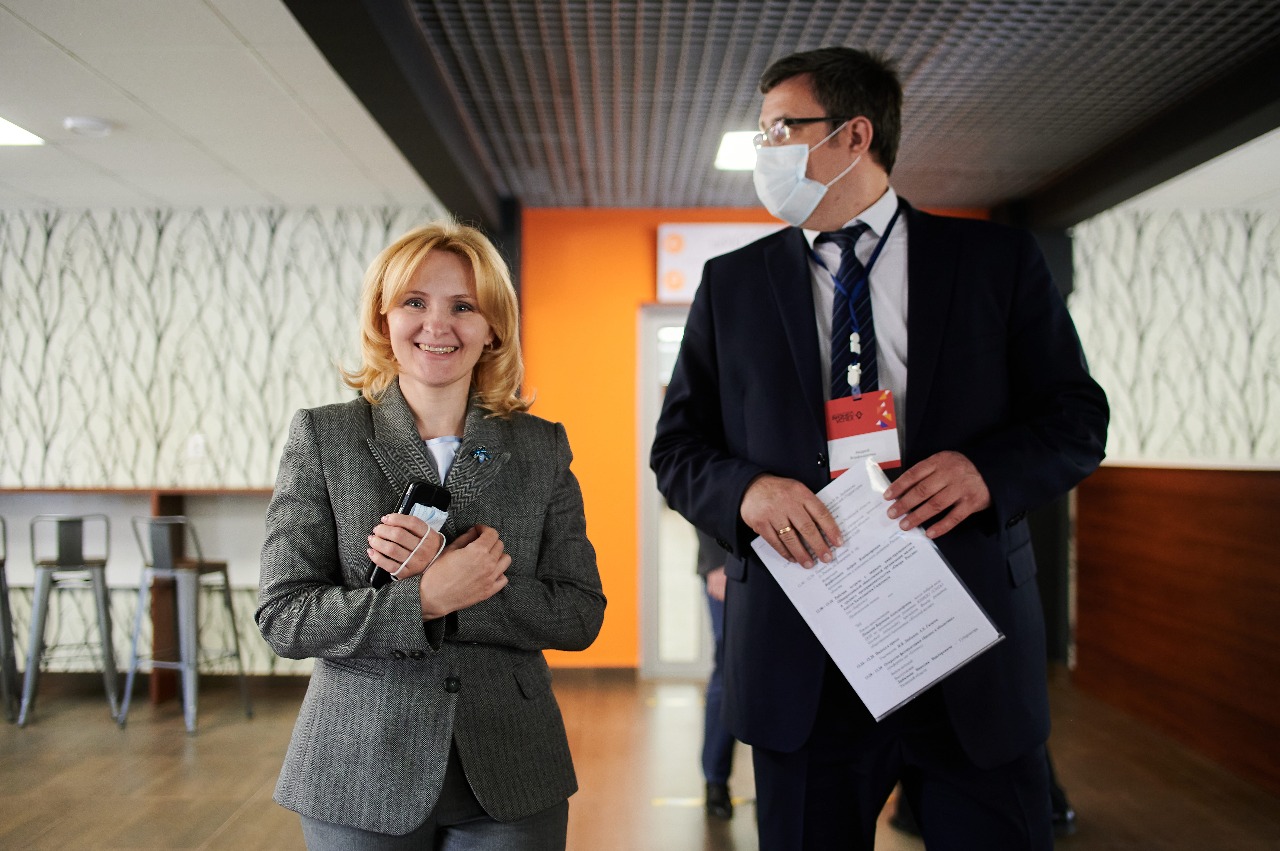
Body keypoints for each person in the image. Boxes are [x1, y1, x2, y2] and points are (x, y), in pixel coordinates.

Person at [651, 46, 1108, 850]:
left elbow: (1077, 418)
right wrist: (748, 492)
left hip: (967, 643)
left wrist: (986, 471)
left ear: (854, 136)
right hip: (804, 655)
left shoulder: (994, 262)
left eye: (780, 130)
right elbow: (678, 449)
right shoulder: (733, 285)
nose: (765, 151)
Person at [257, 221, 606, 850]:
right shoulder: (325, 437)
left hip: (513, 768)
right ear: (383, 318)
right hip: (357, 768)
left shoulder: (540, 447)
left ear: (493, 326)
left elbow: (579, 613)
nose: (437, 325)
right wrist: (424, 598)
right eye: (414, 302)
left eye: (463, 306)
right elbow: (284, 616)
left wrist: (459, 581)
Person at [695, 528, 736, 820]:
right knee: (728, 667)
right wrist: (717, 562)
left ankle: (774, 783)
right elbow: (701, 503)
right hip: (729, 565)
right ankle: (715, 780)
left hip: (789, 567)